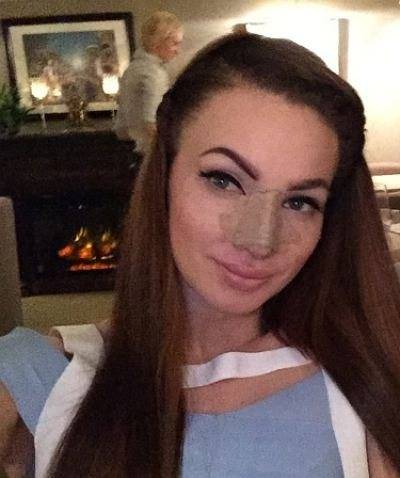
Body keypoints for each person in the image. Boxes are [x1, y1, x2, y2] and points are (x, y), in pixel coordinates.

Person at [1, 33, 400, 478]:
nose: (259, 241)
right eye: (223, 180)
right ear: (165, 172)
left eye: (299, 202)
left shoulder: (367, 383)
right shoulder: (36, 375)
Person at [115, 11, 183, 153]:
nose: (178, 50)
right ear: (157, 43)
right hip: (147, 152)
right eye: (175, 43)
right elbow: (151, 123)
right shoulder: (153, 74)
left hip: (125, 150)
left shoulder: (132, 68)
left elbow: (121, 127)